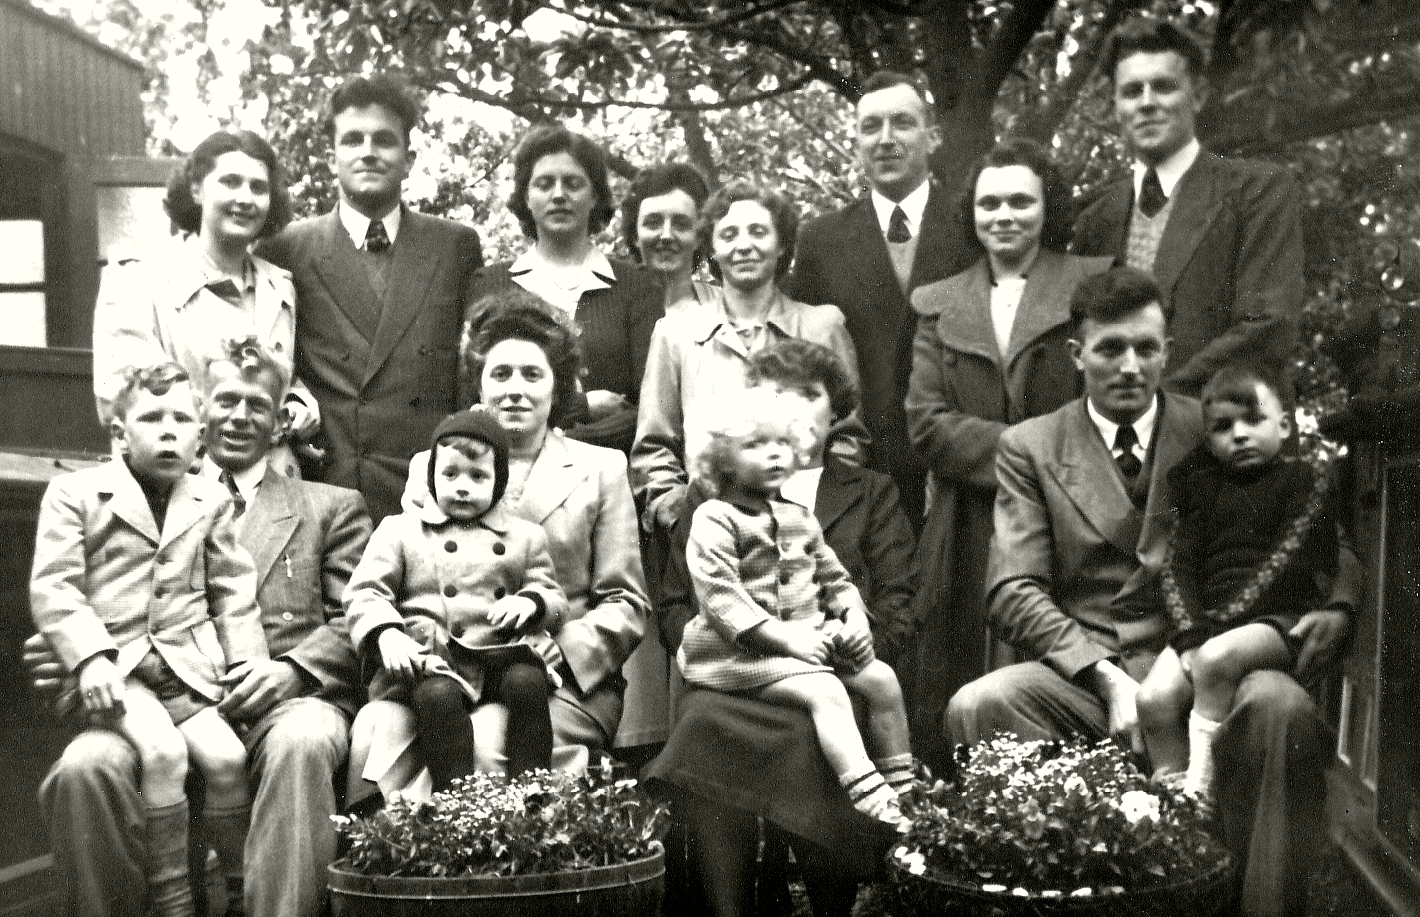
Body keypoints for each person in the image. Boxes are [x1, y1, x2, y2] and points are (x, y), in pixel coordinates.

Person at [945, 267, 1355, 917]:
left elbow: (1317, 521)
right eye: (1110, 348)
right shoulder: (1032, 446)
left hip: (1213, 653)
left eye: (1147, 347)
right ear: (1078, 354)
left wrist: (1338, 604)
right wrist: (1107, 678)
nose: (1130, 366)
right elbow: (1012, 588)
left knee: (1279, 705)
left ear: (1168, 350)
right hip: (1093, 670)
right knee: (981, 704)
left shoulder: (1220, 419)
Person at [28, 340, 373, 917]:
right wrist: (79, 654)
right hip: (139, 687)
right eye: (225, 401)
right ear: (204, 413)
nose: (239, 417)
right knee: (87, 769)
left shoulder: (330, 506)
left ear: (281, 421)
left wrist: (287, 670)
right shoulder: (95, 495)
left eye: (258, 405)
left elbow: (355, 616)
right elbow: (63, 595)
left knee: (302, 740)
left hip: (279, 698)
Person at [647, 338, 917, 917]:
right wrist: (765, 648)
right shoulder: (709, 505)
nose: (790, 408)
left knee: (829, 718)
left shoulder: (868, 493)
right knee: (707, 727)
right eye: (775, 394)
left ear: (833, 411)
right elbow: (677, 603)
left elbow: (892, 599)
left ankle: (853, 870)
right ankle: (729, 904)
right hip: (734, 673)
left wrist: (854, 630)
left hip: (829, 666)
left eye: (808, 394)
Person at [347, 290, 649, 800]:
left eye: (533, 374)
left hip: (554, 677)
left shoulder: (601, 469)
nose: (515, 390)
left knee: (489, 745)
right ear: (479, 384)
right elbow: (399, 572)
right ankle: (393, 851)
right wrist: (396, 639)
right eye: (500, 374)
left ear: (558, 386)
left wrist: (559, 651)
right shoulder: (433, 467)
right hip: (445, 666)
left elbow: (626, 601)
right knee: (376, 733)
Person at [30, 362, 266, 917]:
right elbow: (55, 588)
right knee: (163, 752)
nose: (168, 432)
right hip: (114, 670)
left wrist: (247, 665)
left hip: (185, 666)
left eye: (182, 420)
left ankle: (239, 896)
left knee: (228, 759)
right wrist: (90, 658)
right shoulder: (75, 493)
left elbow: (232, 591)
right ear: (119, 434)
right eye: (152, 418)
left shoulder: (208, 499)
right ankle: (172, 902)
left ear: (200, 437)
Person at [904, 138, 1112, 768]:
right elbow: (926, 422)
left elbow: (1101, 400)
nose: (1004, 216)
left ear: (1047, 209)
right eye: (989, 203)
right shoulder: (938, 302)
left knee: (1052, 648)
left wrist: (1041, 463)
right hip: (966, 518)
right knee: (961, 661)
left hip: (1066, 507)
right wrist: (1025, 451)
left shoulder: (1089, 285)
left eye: (1021, 202)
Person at [679, 388, 915, 831]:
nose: (774, 454)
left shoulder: (798, 517)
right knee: (826, 691)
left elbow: (834, 578)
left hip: (802, 645)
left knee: (882, 680)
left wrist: (854, 617)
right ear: (723, 459)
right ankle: (868, 794)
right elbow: (721, 599)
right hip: (738, 655)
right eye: (755, 444)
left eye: (782, 443)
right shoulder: (714, 518)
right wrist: (788, 639)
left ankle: (903, 788)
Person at [257, 75, 485, 522]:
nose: (368, 152)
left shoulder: (454, 246)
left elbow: (469, 373)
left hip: (427, 493)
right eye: (352, 140)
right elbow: (274, 363)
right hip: (323, 491)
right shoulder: (287, 249)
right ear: (332, 158)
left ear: (408, 159)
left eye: (384, 140)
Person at [1070, 18, 1304, 397]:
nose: (1147, 103)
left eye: (1163, 87)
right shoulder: (1094, 220)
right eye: (1131, 91)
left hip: (1223, 421)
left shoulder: (1259, 190)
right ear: (1115, 106)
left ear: (1198, 96)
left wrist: (1155, 405)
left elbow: (1268, 326)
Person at [1138, 365, 1339, 802]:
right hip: (1210, 628)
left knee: (1215, 659)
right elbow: (1176, 569)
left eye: (1254, 420)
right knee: (1153, 698)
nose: (1240, 435)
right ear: (1209, 440)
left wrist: (1216, 631)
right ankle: (1173, 810)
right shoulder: (1201, 490)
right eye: (1223, 427)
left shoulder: (1304, 481)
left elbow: (1288, 562)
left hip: (1277, 619)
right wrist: (1190, 634)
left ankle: (1200, 796)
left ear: (1284, 426)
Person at [790, 70, 974, 523]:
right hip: (861, 473)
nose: (886, 139)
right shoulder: (820, 241)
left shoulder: (974, 227)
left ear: (932, 137)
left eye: (902, 123)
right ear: (857, 143)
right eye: (871, 127)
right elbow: (804, 362)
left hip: (958, 466)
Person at [347, 409, 567, 785]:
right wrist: (386, 634)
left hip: (499, 652)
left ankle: (533, 790)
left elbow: (554, 597)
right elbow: (365, 592)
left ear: (499, 482)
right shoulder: (400, 531)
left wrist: (531, 601)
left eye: (478, 476)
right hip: (432, 657)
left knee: (527, 683)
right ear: (432, 476)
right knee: (437, 698)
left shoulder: (525, 537)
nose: (462, 487)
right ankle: (456, 799)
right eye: (450, 474)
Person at [633, 179, 863, 535]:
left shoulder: (821, 326)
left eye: (758, 231)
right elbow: (653, 447)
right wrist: (679, 517)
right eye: (729, 235)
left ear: (781, 244)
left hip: (808, 531)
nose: (744, 246)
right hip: (704, 532)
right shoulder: (675, 333)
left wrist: (819, 518)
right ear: (712, 249)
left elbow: (849, 438)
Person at [92, 129, 317, 476]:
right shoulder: (138, 280)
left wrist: (295, 404)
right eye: (230, 182)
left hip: (271, 488)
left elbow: (282, 378)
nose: (245, 198)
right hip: (176, 486)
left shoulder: (280, 287)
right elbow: (119, 400)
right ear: (196, 189)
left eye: (258, 187)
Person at [463, 125, 663, 454]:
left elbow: (651, 407)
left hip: (615, 469)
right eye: (544, 184)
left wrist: (564, 445)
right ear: (526, 197)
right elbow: (473, 399)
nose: (558, 195)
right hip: (511, 470)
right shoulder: (489, 284)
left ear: (595, 196)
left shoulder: (636, 286)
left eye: (573, 183)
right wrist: (582, 408)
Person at [620, 161, 715, 314]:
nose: (666, 235)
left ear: (699, 237)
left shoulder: (723, 307)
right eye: (653, 223)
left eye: (681, 225)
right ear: (635, 235)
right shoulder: (610, 309)